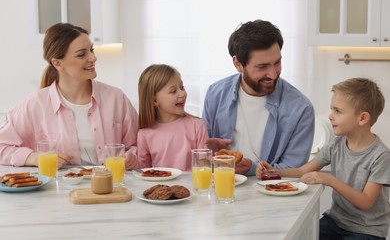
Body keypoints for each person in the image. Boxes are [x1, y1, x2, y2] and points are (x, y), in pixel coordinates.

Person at [257, 78, 390, 239]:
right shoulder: (337, 145)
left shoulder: (381, 156)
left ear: (362, 118)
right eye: (331, 109)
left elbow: (366, 201)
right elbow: (301, 171)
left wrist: (329, 179)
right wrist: (274, 170)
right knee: (302, 234)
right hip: (335, 222)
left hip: (367, 231)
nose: (330, 116)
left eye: (338, 111)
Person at [0, 23, 139, 170]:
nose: (93, 58)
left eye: (91, 50)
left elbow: (138, 146)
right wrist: (35, 157)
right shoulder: (36, 104)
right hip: (56, 191)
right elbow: (2, 147)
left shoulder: (116, 98)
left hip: (111, 188)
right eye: (81, 54)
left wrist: (133, 157)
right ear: (58, 63)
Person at [203, 19, 315, 175]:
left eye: (277, 62)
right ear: (238, 64)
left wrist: (251, 169)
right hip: (220, 187)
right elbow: (201, 156)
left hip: (271, 193)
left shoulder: (300, 108)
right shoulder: (215, 94)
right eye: (262, 67)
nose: (273, 74)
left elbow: (294, 169)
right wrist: (206, 150)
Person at [137, 64, 208, 171]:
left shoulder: (197, 126)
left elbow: (204, 168)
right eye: (173, 91)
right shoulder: (144, 134)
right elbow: (144, 174)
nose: (182, 94)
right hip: (160, 187)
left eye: (182, 87)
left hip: (192, 187)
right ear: (154, 100)